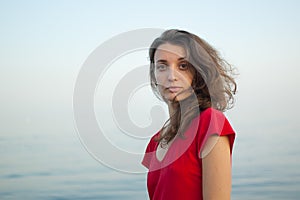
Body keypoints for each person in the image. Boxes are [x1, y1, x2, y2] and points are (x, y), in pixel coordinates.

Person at [142, 29, 237, 200]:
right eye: (162, 66)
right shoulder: (156, 141)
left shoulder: (210, 123)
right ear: (154, 74)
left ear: (198, 72)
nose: (172, 76)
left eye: (183, 66)